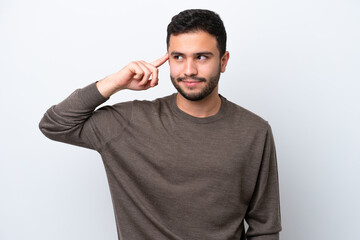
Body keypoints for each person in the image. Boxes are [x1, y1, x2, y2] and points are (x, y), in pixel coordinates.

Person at [39, 9, 281, 240]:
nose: (189, 70)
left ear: (224, 61)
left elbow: (264, 228)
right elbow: (54, 124)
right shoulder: (130, 122)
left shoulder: (254, 132)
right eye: (178, 57)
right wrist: (115, 82)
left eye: (202, 57)